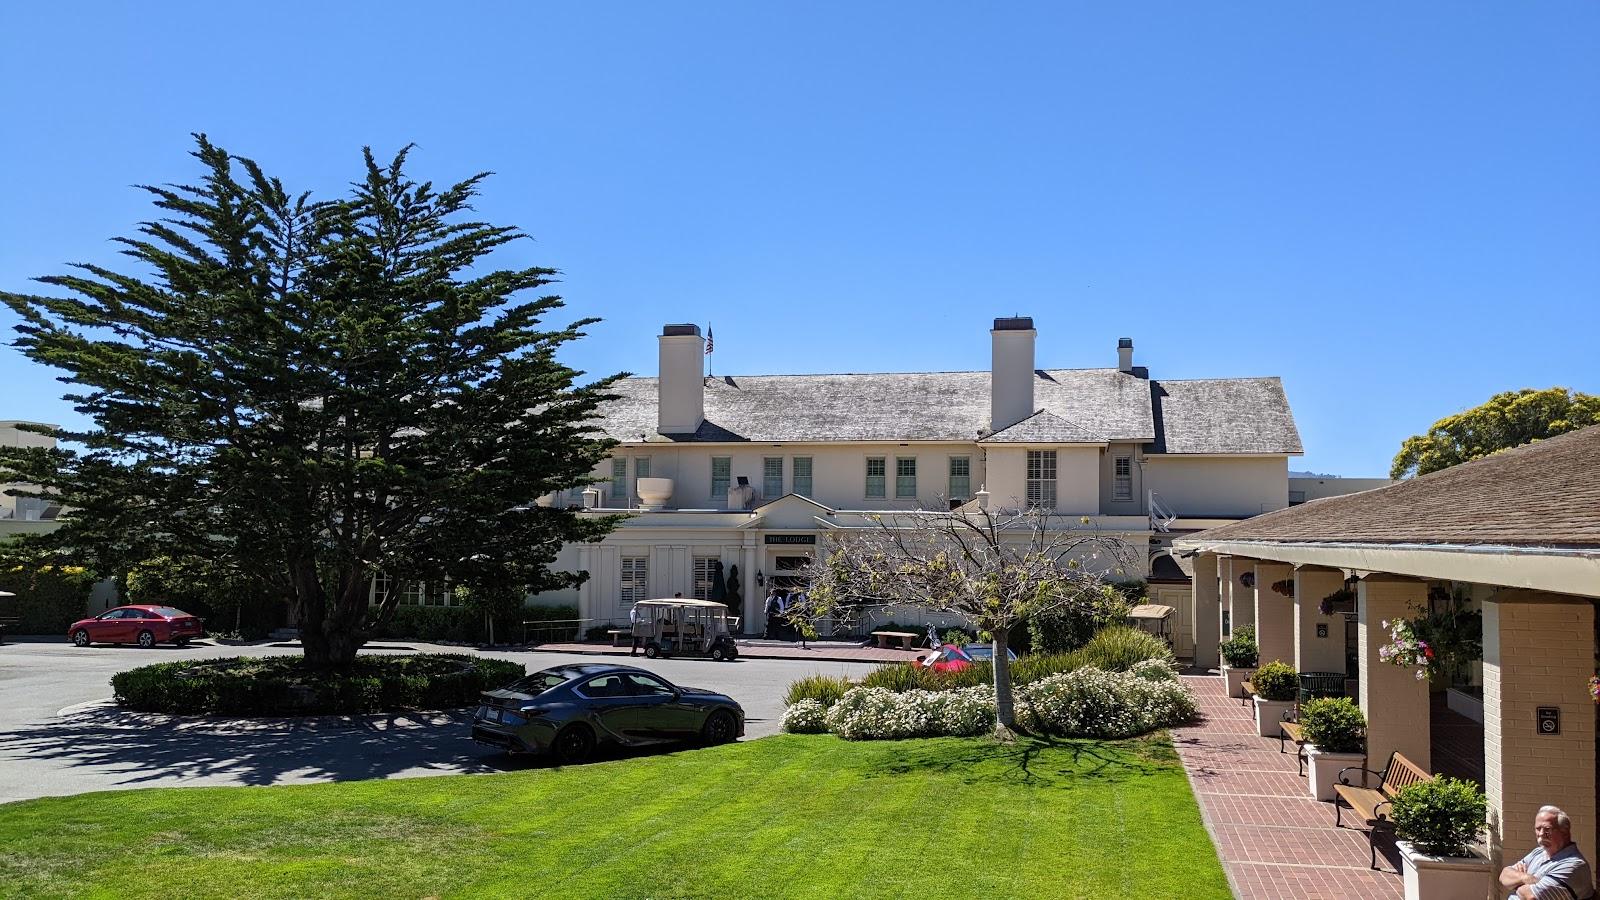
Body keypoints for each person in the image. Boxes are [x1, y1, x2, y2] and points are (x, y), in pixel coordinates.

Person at [1500, 806, 1594, 900]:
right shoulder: (1538, 852)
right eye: (1538, 828)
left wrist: (1516, 883)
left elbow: (1531, 896)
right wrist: (1526, 878)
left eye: (1547, 829)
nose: (1541, 833)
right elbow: (1504, 875)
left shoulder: (1574, 865)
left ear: (1564, 832)